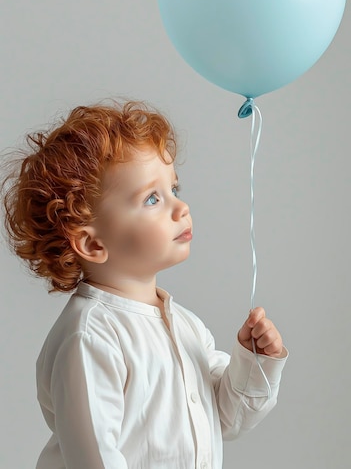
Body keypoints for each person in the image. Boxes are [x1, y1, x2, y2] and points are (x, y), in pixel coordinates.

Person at [2, 100, 288, 469]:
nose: (181, 207)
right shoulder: (90, 338)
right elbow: (95, 459)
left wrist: (255, 361)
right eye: (152, 198)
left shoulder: (185, 325)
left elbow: (227, 419)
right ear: (92, 244)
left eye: (174, 188)